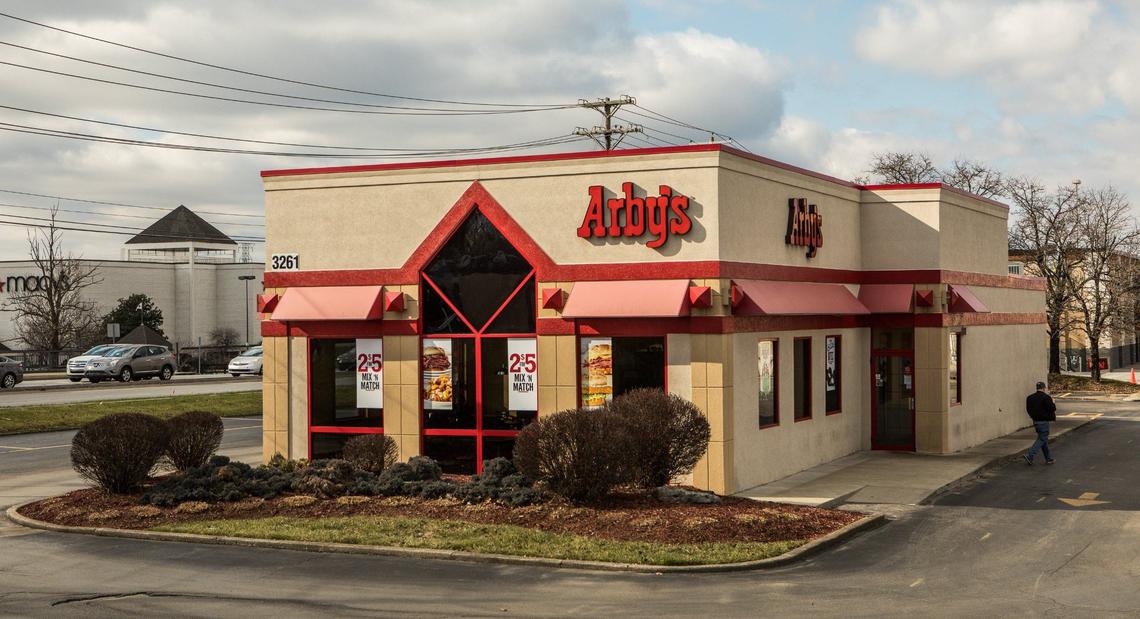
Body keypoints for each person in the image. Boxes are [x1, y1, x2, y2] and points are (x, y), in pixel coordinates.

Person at [1024, 381, 1057, 465]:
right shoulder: (1046, 397)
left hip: (1035, 421)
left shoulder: (1030, 398)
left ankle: (1048, 459)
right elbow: (1052, 409)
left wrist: (1032, 417)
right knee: (1042, 439)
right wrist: (1053, 403)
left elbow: (1028, 409)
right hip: (1043, 422)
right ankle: (1030, 455)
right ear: (1043, 388)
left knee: (1043, 440)